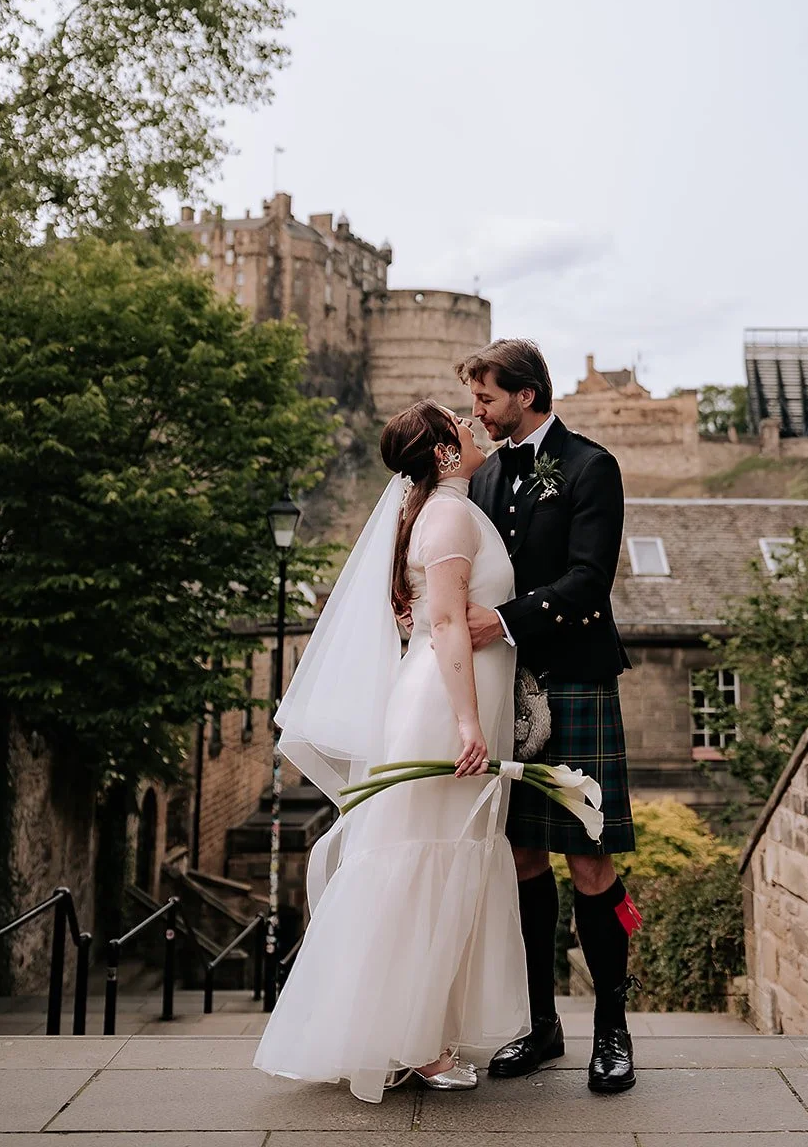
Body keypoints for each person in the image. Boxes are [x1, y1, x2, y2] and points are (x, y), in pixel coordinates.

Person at [253, 401, 528, 1103]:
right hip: (442, 708)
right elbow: (441, 625)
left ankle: (404, 1031)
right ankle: (419, 1045)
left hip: (442, 701)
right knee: (423, 863)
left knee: (426, 858)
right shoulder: (447, 517)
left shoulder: (437, 512)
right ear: (441, 452)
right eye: (460, 428)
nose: (474, 430)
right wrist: (468, 724)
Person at [458, 338, 637, 1095]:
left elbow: (588, 582)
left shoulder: (592, 466)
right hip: (507, 688)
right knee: (523, 860)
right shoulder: (487, 473)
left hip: (574, 680)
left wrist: (498, 623)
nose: (477, 413)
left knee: (590, 860)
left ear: (526, 396)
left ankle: (612, 1033)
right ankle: (539, 1024)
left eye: (486, 399)